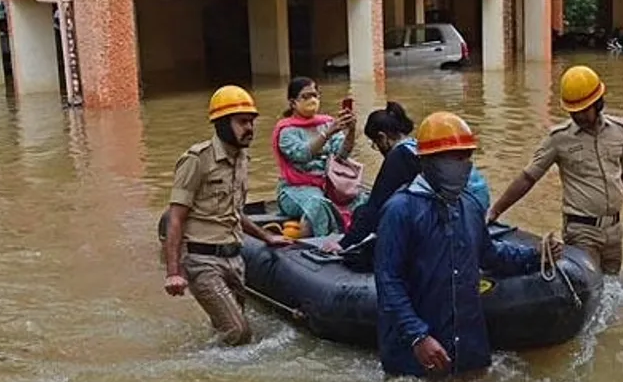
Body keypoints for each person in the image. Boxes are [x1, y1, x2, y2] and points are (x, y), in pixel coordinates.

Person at [374, 111, 552, 378]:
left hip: (468, 347)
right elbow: (388, 280)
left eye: (467, 156)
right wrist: (417, 336)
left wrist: (536, 256)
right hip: (416, 354)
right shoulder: (401, 210)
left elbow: (490, 255)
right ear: (428, 161)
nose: (464, 164)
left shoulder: (468, 205)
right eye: (454, 158)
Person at [486, 65, 623, 275]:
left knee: (612, 288)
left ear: (598, 103)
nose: (580, 116)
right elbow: (528, 177)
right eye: (574, 112)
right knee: (589, 287)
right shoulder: (558, 139)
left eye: (585, 110)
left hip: (613, 229)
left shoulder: (619, 131)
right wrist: (496, 211)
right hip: (581, 230)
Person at [163, 85, 291, 345]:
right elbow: (175, 217)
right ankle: (197, 371)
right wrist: (173, 272)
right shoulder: (197, 160)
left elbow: (233, 212)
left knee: (227, 330)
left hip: (235, 259)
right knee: (238, 331)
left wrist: (267, 236)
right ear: (221, 124)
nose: (250, 129)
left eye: (252, 122)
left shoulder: (243, 160)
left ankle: (215, 370)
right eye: (242, 122)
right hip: (202, 261)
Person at [325, 102, 490, 258]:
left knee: (363, 212)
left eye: (375, 144)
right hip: (475, 206)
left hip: (457, 212)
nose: (378, 149)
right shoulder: (416, 146)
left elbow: (376, 205)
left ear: (382, 138)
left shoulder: (399, 156)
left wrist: (344, 243)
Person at [272, 77, 368, 237]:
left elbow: (341, 154)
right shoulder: (286, 130)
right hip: (295, 189)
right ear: (293, 102)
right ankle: (326, 245)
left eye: (315, 95)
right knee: (318, 204)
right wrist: (328, 133)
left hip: (329, 186)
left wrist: (351, 131)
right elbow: (302, 154)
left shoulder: (326, 122)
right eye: (306, 96)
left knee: (363, 198)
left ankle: (357, 238)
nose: (312, 100)